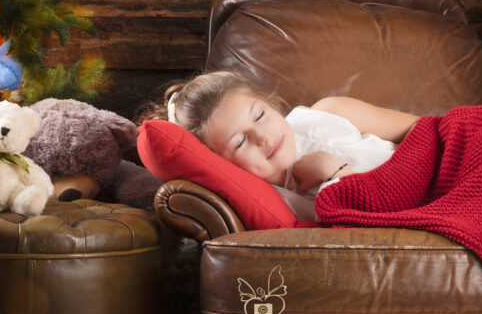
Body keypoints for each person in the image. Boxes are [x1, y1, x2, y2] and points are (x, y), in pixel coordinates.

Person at [143, 71, 418, 220]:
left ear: (271, 104)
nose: (263, 137)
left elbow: (430, 130)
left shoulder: (329, 113)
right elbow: (385, 223)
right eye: (240, 141)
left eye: (260, 115)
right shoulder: (283, 202)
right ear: (224, 165)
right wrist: (336, 172)